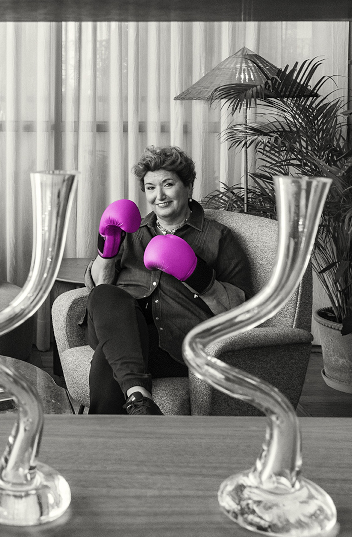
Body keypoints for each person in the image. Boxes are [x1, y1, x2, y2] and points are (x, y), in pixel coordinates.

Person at [83, 145, 251, 415]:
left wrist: (199, 277)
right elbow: (99, 287)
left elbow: (240, 312)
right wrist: (108, 247)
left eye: (168, 184)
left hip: (174, 344)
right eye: (150, 188)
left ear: (189, 186)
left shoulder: (218, 237)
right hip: (115, 324)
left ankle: (135, 400)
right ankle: (140, 405)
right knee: (105, 295)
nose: (158, 196)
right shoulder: (132, 231)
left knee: (109, 356)